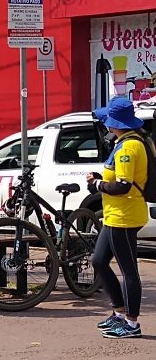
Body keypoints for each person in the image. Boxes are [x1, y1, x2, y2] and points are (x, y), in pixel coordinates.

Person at [88, 97, 147, 339]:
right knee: (99, 261)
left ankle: (131, 323)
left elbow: (123, 186)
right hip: (114, 216)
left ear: (115, 123)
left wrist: (98, 183)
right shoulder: (123, 142)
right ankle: (119, 312)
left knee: (128, 270)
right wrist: (100, 177)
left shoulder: (128, 147)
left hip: (124, 216)